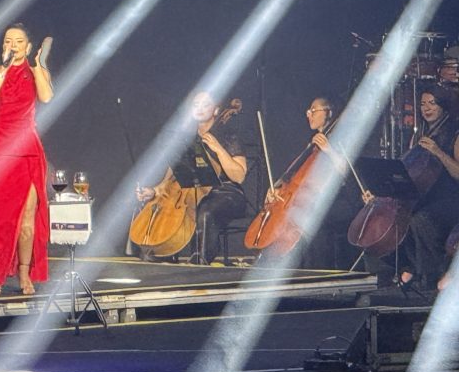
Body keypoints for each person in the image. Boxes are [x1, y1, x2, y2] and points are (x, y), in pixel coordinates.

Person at [0, 24, 53, 296]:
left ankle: (24, 273)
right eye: (8, 40)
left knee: (28, 218)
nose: (13, 45)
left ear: (28, 47)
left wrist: (39, 67)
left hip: (28, 149)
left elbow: (46, 96)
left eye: (19, 41)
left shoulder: (36, 72)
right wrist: (5, 67)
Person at [137, 91, 248, 265]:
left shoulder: (227, 134)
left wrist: (218, 148)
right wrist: (157, 189)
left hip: (226, 192)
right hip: (194, 188)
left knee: (205, 210)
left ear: (216, 110)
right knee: (161, 205)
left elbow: (239, 176)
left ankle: (200, 261)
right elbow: (175, 170)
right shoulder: (187, 137)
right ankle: (163, 252)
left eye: (205, 104)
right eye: (196, 105)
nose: (200, 108)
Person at [256, 97, 359, 269]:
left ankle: (311, 268)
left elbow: (348, 172)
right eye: (308, 111)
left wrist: (329, 150)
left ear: (328, 113)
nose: (309, 114)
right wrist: (278, 186)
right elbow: (294, 174)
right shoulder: (313, 144)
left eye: (314, 110)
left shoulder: (340, 140)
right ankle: (280, 261)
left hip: (339, 199)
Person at [396, 85, 459, 290]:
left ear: (443, 106)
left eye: (432, 103)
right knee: (401, 215)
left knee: (421, 219)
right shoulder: (420, 134)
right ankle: (412, 267)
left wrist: (438, 152)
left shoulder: (454, 134)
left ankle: (432, 275)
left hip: (451, 198)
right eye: (423, 104)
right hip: (427, 195)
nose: (426, 108)